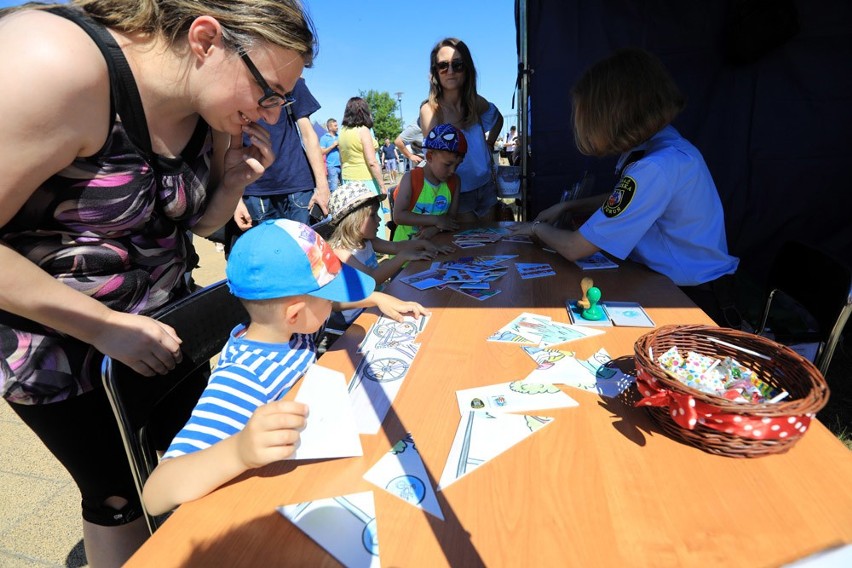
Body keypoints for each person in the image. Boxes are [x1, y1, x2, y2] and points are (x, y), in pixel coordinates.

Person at [0, 0, 315, 564]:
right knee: (116, 492)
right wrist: (103, 326)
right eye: (268, 92)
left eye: (281, 102)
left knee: (188, 466)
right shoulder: (57, 63)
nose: (271, 116)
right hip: (58, 342)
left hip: (165, 330)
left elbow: (192, 225)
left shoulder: (209, 108)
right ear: (205, 40)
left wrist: (233, 185)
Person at [142, 219, 428, 516]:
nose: (335, 303)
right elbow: (155, 494)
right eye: (331, 296)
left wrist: (375, 297)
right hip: (266, 508)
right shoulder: (244, 378)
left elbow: (321, 307)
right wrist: (239, 451)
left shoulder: (295, 329)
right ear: (294, 313)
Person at [509, 48, 740, 327]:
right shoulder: (663, 149)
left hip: (693, 302)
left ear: (613, 113)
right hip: (678, 287)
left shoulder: (655, 166)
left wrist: (534, 228)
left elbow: (574, 247)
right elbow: (627, 200)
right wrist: (569, 205)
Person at [420, 38, 503, 223]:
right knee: (469, 247)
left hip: (486, 186)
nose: (450, 71)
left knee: (490, 245)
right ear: (435, 71)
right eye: (443, 65)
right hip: (457, 192)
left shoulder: (475, 101)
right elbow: (435, 160)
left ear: (467, 69)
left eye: (457, 65)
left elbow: (498, 118)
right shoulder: (430, 111)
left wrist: (489, 144)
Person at [232, 77, 330, 232]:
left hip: (297, 185)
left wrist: (323, 186)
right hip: (254, 188)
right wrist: (235, 200)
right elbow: (229, 144)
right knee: (265, 253)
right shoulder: (234, 84)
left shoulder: (290, 78)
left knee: (305, 250)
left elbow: (308, 134)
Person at [328, 182, 445, 287]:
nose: (379, 219)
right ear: (353, 221)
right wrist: (403, 256)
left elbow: (396, 247)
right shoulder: (341, 253)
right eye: (372, 215)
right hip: (360, 310)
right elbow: (372, 279)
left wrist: (423, 243)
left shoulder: (366, 240)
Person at [392, 123, 464, 242]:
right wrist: (436, 220)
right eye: (448, 164)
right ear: (430, 157)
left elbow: (451, 218)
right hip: (405, 251)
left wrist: (435, 229)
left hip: (437, 247)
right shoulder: (411, 179)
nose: (452, 171)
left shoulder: (455, 182)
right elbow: (399, 216)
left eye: (457, 165)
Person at [338, 97, 388, 236]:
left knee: (356, 218)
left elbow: (342, 159)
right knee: (371, 216)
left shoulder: (342, 132)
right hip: (366, 180)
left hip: (348, 179)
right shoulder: (363, 130)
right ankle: (377, 246)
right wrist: (382, 185)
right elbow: (372, 162)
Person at [320, 117, 341, 192]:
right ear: (329, 127)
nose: (337, 127)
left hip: (342, 164)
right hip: (332, 166)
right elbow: (322, 152)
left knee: (345, 187)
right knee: (334, 188)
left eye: (337, 125)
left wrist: (340, 147)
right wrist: (332, 146)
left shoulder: (339, 136)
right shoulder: (324, 138)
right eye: (335, 126)